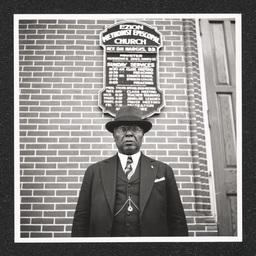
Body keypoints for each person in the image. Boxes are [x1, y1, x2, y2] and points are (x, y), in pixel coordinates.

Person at [71, 105, 188, 237]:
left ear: (143, 134)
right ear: (114, 135)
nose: (129, 134)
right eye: (123, 129)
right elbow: (81, 219)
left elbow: (177, 218)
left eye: (135, 129)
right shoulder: (94, 171)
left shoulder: (163, 170)